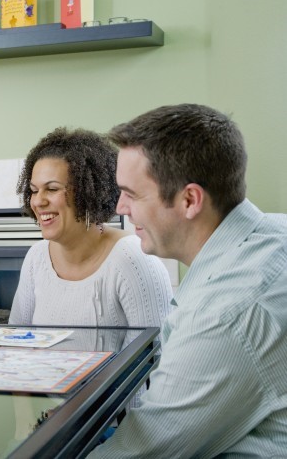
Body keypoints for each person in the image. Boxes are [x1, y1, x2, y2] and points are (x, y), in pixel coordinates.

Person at [87, 104, 287, 457]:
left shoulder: (224, 313)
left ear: (190, 200)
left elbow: (139, 452)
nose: (120, 207)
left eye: (131, 193)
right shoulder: (273, 231)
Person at [8, 127, 172, 331]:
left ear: (87, 193)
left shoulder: (134, 260)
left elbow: (152, 356)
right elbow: (14, 339)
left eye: (52, 189)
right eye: (33, 190)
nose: (38, 201)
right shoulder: (36, 258)